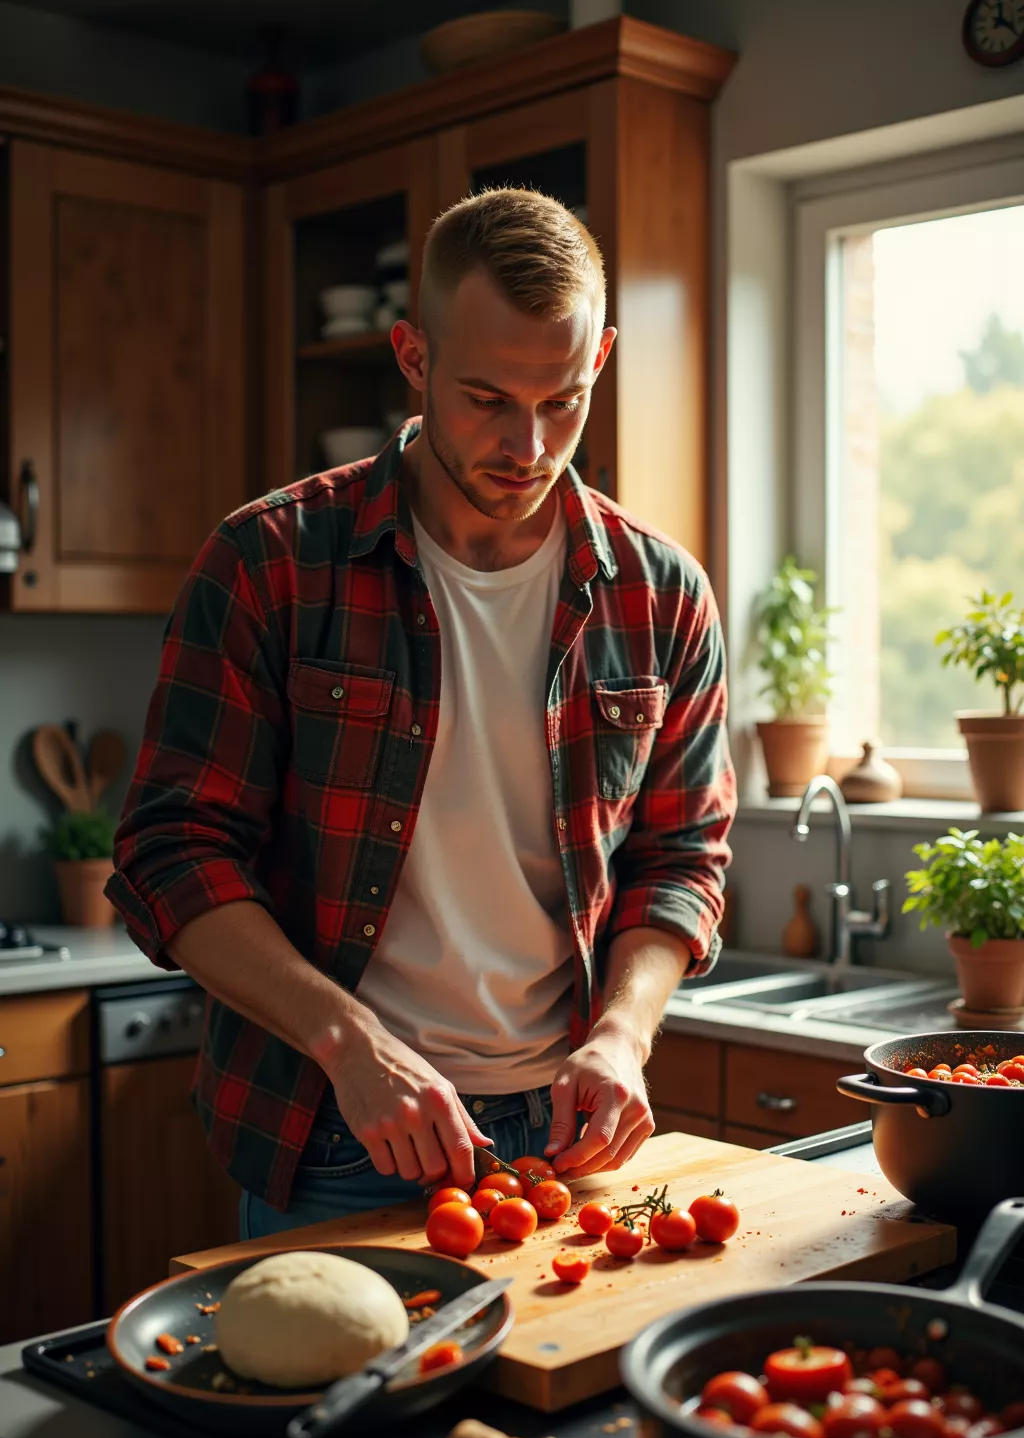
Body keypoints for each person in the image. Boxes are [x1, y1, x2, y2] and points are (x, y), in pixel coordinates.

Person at [107, 188, 736, 1240]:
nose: (528, 446)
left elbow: (682, 858)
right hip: (337, 1125)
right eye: (487, 398)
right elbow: (173, 851)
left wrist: (622, 1037)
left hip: (565, 1135)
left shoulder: (662, 593)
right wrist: (352, 1044)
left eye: (564, 400)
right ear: (411, 355)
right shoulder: (270, 561)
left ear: (602, 359)